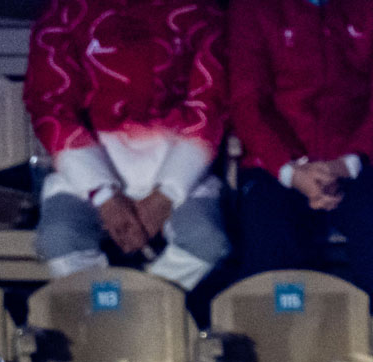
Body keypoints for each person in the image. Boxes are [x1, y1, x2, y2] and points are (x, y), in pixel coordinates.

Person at [22, 0, 230, 291]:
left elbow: (209, 105)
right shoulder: (66, 12)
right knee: (59, 238)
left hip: (176, 168)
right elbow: (51, 107)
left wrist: (167, 194)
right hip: (89, 172)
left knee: (205, 241)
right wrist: (104, 195)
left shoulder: (201, 12)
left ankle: (146, 302)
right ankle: (101, 308)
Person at [228, 0, 373, 301]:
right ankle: (287, 344)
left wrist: (348, 163)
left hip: (357, 158)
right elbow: (247, 103)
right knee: (271, 245)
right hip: (276, 165)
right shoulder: (252, 8)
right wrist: (290, 170)